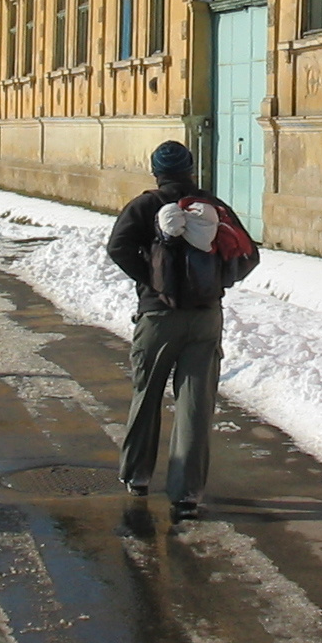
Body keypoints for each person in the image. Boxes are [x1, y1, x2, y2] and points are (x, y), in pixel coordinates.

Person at [107, 139, 258, 520]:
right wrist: (219, 282)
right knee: (195, 403)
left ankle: (137, 476)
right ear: (191, 169)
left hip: (158, 317)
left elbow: (118, 247)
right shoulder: (213, 207)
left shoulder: (146, 206)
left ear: (156, 170)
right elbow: (248, 254)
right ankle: (187, 492)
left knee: (147, 393)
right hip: (206, 317)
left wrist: (151, 282)